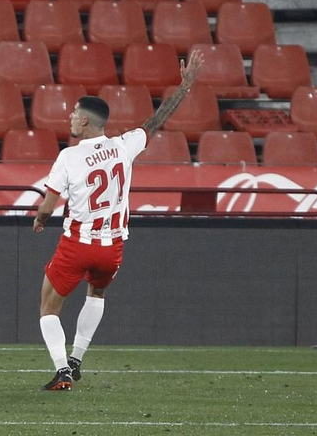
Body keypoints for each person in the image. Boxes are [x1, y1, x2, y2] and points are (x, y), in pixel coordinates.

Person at [32, 49, 205, 391]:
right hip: (112, 246)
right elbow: (156, 119)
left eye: (74, 113)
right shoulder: (124, 145)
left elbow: (49, 204)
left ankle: (63, 370)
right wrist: (185, 87)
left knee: (48, 307)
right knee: (96, 294)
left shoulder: (69, 156)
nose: (70, 116)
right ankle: (78, 359)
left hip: (78, 243)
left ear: (85, 121)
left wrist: (39, 219)